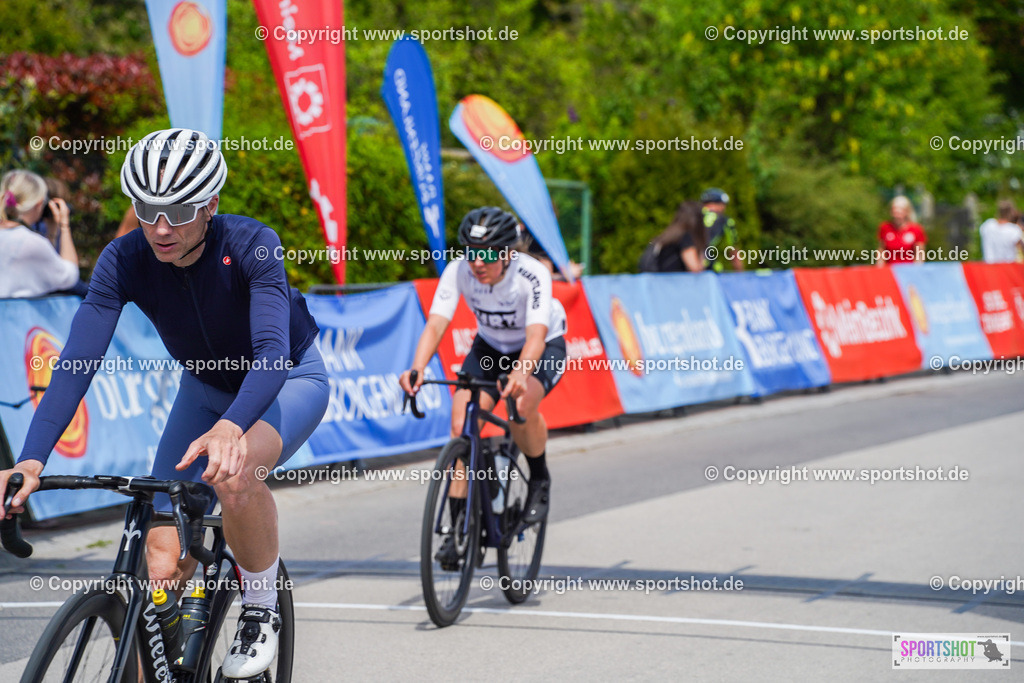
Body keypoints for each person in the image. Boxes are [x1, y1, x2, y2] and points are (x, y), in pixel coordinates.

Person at [0, 128, 329, 679]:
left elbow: (271, 354)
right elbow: (78, 361)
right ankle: (179, 659)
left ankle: (259, 610)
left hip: (286, 381)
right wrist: (32, 459)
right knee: (159, 559)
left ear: (211, 205)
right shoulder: (124, 258)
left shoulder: (252, 244)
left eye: (178, 211)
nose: (160, 228)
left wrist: (231, 427)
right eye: (148, 209)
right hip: (203, 390)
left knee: (234, 472)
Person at [400, 207, 568, 560]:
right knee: (463, 424)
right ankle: (460, 530)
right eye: (471, 252)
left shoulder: (532, 274)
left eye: (488, 255)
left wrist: (522, 372)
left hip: (540, 344)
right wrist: (416, 367)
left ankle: (539, 480)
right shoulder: (459, 270)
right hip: (490, 346)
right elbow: (435, 324)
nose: (478, 263)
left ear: (509, 253)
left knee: (521, 406)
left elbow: (536, 336)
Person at [0, 170, 82, 298]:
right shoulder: (30, 242)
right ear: (39, 203)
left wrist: (51, 233)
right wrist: (64, 226)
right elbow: (69, 277)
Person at [638, 200, 707, 272]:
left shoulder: (671, 234)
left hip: (659, 278)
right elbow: (694, 268)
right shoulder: (686, 236)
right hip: (673, 280)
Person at [700, 187, 744, 271]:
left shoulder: (691, 215)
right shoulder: (725, 220)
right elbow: (734, 252)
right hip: (705, 264)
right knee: (718, 267)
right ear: (720, 204)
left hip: (684, 263)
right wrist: (741, 276)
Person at [877, 195, 926, 265]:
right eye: (895, 212)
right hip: (890, 270)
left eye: (900, 212)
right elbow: (881, 251)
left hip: (909, 271)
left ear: (906, 212)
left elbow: (920, 254)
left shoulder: (916, 229)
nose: (897, 215)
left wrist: (916, 270)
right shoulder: (885, 228)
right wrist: (879, 268)